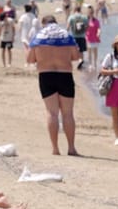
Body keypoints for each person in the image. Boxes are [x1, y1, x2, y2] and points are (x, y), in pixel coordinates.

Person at [26, 15, 82, 156]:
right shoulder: (65, 35)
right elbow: (76, 56)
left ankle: (55, 149)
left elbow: (30, 59)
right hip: (65, 75)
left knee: (52, 113)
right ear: (56, 23)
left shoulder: (40, 36)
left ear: (43, 24)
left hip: (46, 75)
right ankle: (71, 148)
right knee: (68, 114)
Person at [66, 6, 89, 70]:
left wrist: (66, 34)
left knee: (74, 50)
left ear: (74, 10)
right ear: (80, 10)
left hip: (74, 36)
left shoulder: (71, 17)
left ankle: (75, 62)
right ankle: (81, 60)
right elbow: (88, 26)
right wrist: (84, 31)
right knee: (81, 51)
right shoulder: (84, 17)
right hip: (82, 36)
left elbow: (68, 27)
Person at [83, 6, 102, 71]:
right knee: (89, 52)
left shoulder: (96, 21)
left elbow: (99, 28)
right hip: (88, 38)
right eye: (89, 12)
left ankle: (95, 64)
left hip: (95, 38)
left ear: (93, 13)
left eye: (91, 12)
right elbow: (84, 29)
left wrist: (99, 33)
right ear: (87, 13)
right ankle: (90, 64)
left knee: (95, 52)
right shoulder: (86, 20)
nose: (90, 13)